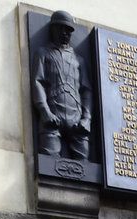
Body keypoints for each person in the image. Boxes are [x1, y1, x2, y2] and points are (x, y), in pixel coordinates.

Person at [31, 10, 92, 160]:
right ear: (53, 29)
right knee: (49, 162)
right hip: (52, 115)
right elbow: (37, 82)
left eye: (69, 30)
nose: (65, 33)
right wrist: (45, 112)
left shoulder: (79, 60)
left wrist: (86, 119)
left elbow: (86, 91)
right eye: (61, 28)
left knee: (84, 166)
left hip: (76, 119)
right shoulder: (43, 53)